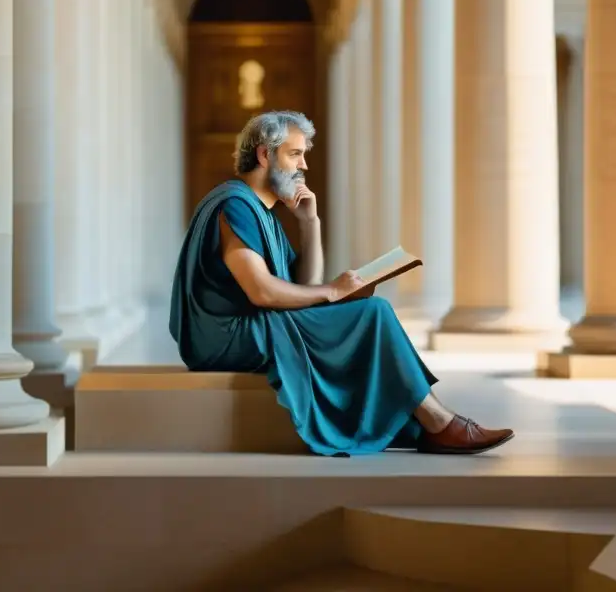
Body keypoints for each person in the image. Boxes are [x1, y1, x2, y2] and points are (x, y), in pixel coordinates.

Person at [169, 110, 514, 457]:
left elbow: (305, 284)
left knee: (365, 312)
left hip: (251, 326)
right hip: (225, 335)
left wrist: (310, 223)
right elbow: (262, 291)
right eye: (295, 154)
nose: (303, 165)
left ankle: (428, 423)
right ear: (264, 155)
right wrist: (332, 292)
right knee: (373, 313)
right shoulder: (236, 205)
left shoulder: (264, 214)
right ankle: (438, 423)